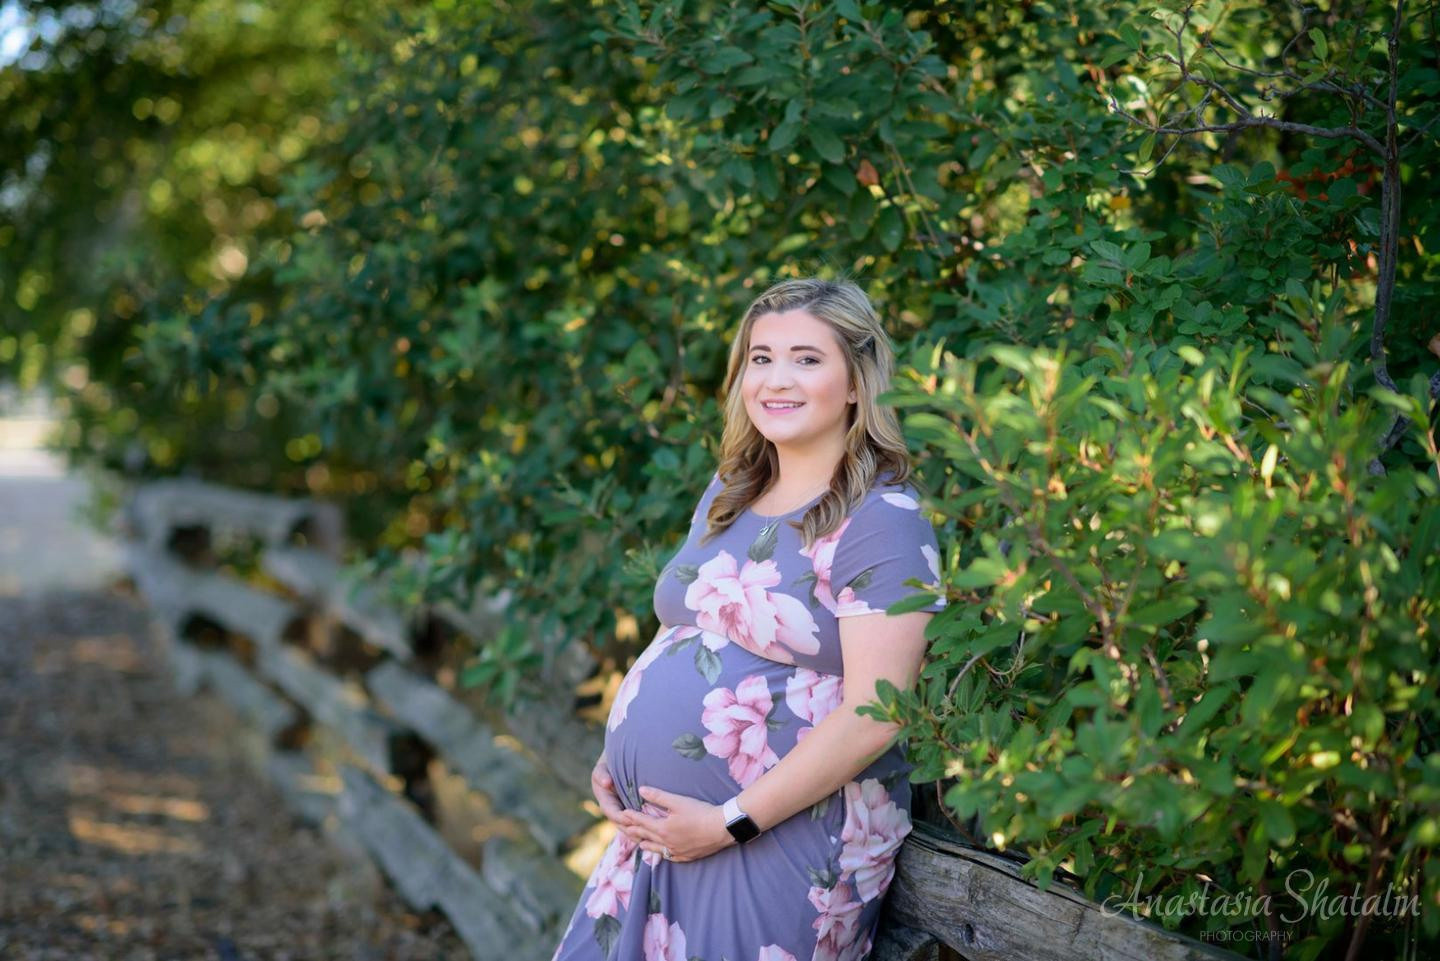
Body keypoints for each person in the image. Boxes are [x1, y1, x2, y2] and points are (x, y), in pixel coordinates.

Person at [550, 277, 946, 961]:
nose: (776, 379)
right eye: (761, 358)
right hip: (666, 834)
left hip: (784, 842)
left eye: (806, 358)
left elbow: (879, 712)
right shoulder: (731, 491)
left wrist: (728, 821)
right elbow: (684, 628)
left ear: (857, 382)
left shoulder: (883, 521)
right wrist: (622, 754)